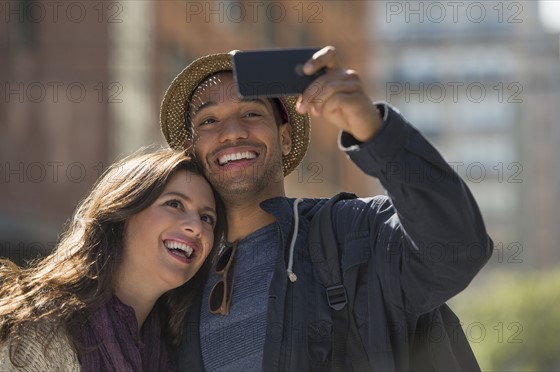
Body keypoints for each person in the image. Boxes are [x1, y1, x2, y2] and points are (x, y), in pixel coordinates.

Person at [160, 46, 493, 371]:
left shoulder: (355, 234)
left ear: (285, 138)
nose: (232, 132)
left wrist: (374, 131)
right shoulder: (178, 276)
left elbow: (456, 249)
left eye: (251, 113)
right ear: (193, 151)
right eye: (209, 120)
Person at [0, 149, 225, 371]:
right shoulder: (41, 330)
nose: (196, 227)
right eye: (174, 204)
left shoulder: (178, 349)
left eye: (207, 218)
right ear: (122, 212)